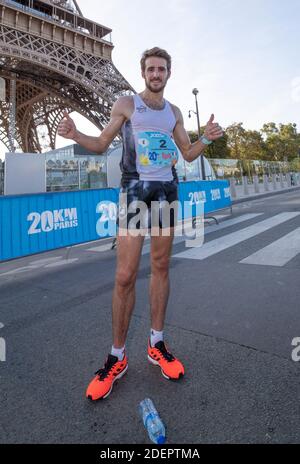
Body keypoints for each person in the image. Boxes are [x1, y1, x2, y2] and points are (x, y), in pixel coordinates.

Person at [57, 47, 223, 401]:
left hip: (164, 190)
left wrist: (205, 137)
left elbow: (187, 153)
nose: (156, 73)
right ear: (143, 72)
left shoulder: (174, 111)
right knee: (125, 275)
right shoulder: (127, 104)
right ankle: (116, 356)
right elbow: (101, 144)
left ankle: (156, 343)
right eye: (151, 68)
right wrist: (75, 135)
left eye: (161, 68)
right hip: (134, 191)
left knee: (161, 265)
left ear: (168, 73)